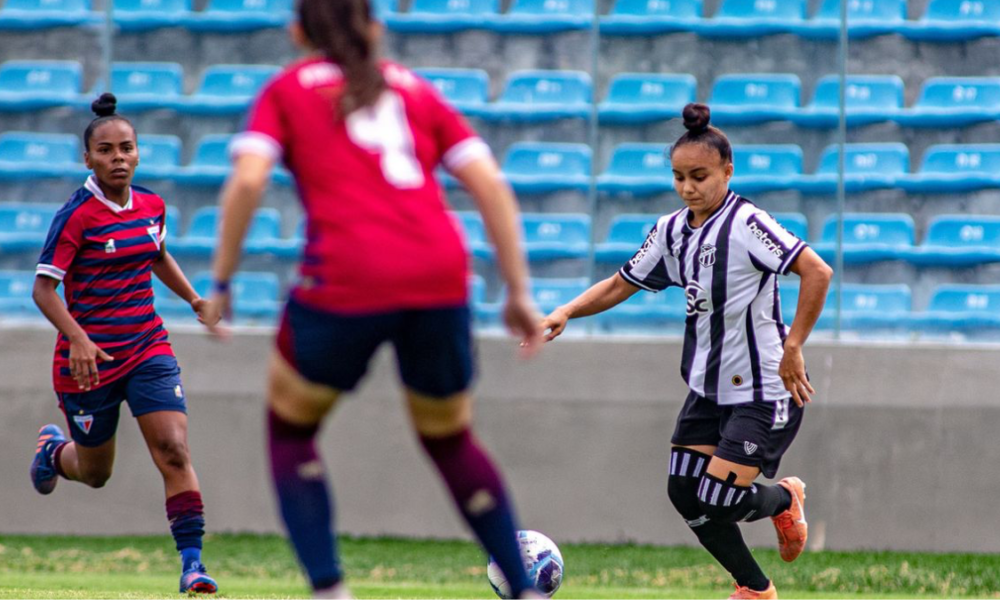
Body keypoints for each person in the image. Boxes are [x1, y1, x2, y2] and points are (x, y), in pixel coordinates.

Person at [202, 0, 544, 597]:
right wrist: (517, 290)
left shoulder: (286, 89)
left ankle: (331, 589)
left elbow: (250, 179)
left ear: (297, 32)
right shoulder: (414, 89)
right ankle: (524, 590)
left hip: (347, 275)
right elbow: (489, 181)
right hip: (439, 272)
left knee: (291, 430)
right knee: (449, 438)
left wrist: (223, 282)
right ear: (376, 28)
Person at [540, 103, 833, 600]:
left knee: (717, 498)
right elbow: (621, 283)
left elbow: (816, 271)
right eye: (679, 177)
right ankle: (755, 589)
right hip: (706, 391)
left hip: (762, 388)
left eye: (699, 176)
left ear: (726, 171)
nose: (688, 187)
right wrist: (566, 310)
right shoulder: (672, 230)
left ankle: (785, 498)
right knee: (685, 493)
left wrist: (794, 346)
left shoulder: (747, 223)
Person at [29, 93, 220, 595]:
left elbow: (156, 254)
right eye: (107, 150)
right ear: (87, 158)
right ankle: (54, 452)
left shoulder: (152, 205)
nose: (118, 157)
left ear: (138, 154)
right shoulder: (77, 217)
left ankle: (193, 566)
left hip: (146, 347)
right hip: (88, 363)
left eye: (127, 148)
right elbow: (43, 288)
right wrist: (78, 339)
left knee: (175, 450)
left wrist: (195, 300)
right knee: (95, 473)